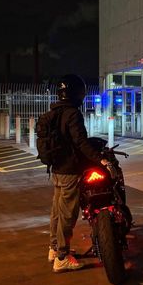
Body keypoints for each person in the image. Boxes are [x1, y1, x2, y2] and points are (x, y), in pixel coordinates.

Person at [47, 74, 109, 273]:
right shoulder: (72, 114)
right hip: (69, 170)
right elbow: (81, 142)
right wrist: (101, 159)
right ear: (77, 94)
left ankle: (54, 248)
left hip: (56, 168)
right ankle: (62, 257)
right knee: (67, 214)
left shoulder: (55, 112)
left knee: (57, 210)